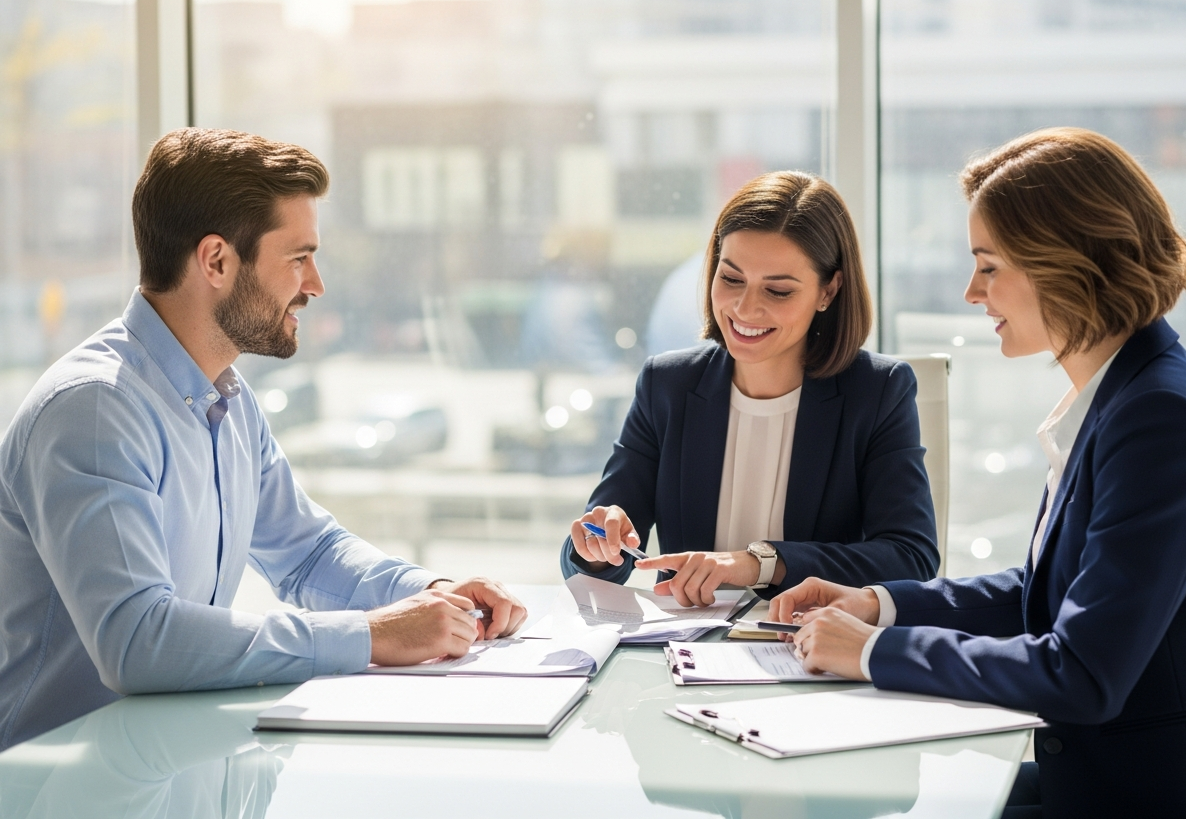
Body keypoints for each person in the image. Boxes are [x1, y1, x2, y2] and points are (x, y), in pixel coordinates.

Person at [773, 128, 1186, 817]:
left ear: (1066, 263)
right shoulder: (1124, 396)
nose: (971, 292)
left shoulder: (1160, 419)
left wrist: (874, 651)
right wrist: (879, 604)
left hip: (1166, 793)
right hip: (1106, 770)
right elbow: (1048, 594)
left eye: (988, 266)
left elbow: (1083, 671)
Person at [0, 129, 527, 751]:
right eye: (298, 258)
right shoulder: (95, 409)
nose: (316, 285)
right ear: (217, 261)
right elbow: (137, 641)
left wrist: (429, 595)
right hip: (56, 780)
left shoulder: (227, 399)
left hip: (162, 764)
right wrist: (371, 634)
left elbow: (308, 553)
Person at [560, 171, 940, 606]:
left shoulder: (877, 392)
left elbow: (911, 558)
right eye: (732, 279)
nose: (745, 308)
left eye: (777, 291)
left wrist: (758, 564)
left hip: (809, 638)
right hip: (687, 640)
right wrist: (597, 547)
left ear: (828, 291)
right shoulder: (666, 384)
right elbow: (592, 561)